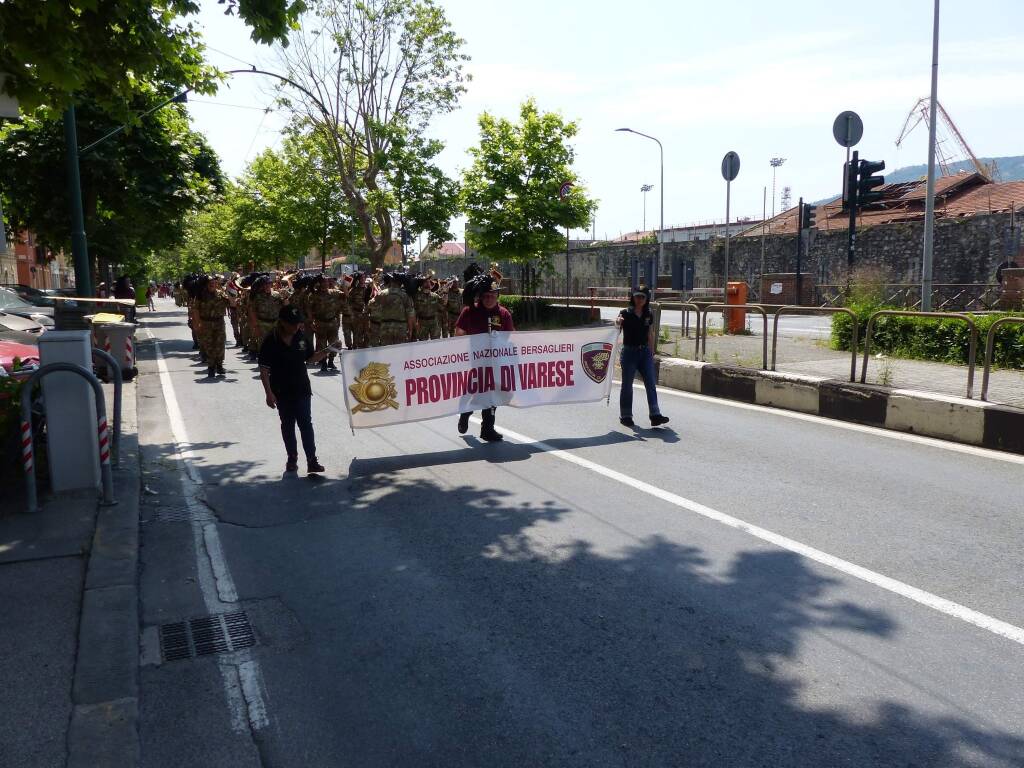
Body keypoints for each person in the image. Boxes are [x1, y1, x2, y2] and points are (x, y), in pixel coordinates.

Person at [258, 305, 331, 475]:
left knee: (306, 424)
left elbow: (310, 359)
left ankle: (312, 460)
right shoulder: (271, 340)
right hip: (281, 391)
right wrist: (269, 393)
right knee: (288, 425)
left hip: (302, 389)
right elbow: (264, 370)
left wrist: (328, 350)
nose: (295, 326)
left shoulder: (302, 337)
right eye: (292, 323)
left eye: (298, 323)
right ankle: (292, 458)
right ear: (282, 322)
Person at [454, 274, 514, 442]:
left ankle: (487, 429)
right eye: (486, 296)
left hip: (495, 362)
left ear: (497, 297)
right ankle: (465, 414)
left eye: (492, 296)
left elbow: (510, 336)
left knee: (492, 393)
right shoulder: (469, 311)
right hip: (474, 361)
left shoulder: (504, 314)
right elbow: (459, 332)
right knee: (472, 390)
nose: (489, 299)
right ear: (480, 296)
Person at [615, 286, 669, 428]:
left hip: (644, 353)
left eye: (642, 297)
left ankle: (655, 415)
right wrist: (617, 322)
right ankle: (626, 415)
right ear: (633, 297)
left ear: (646, 299)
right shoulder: (625, 313)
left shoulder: (648, 314)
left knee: (651, 384)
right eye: (637, 296)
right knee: (627, 386)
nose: (639, 300)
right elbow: (616, 328)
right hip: (629, 353)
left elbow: (650, 333)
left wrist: (651, 352)